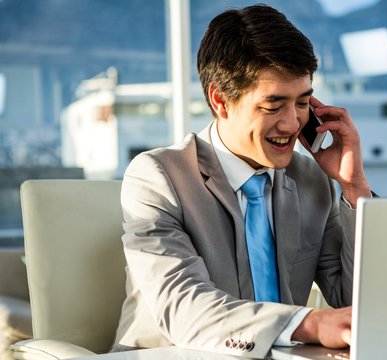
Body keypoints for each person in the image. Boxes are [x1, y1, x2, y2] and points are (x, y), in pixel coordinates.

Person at [112, 4, 372, 359]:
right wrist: (310, 323)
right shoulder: (157, 177)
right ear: (221, 100)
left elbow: (355, 303)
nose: (292, 124)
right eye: (273, 105)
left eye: (302, 102)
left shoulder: (313, 180)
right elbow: (185, 310)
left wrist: (354, 187)